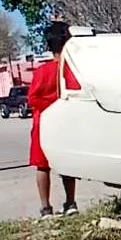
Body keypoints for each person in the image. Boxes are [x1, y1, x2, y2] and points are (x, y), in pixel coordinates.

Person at [29, 20, 78, 218]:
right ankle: (71, 203)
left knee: (42, 165)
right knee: (66, 164)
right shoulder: (72, 71)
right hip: (65, 122)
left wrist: (49, 108)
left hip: (43, 122)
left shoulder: (42, 71)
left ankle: (46, 208)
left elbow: (33, 98)